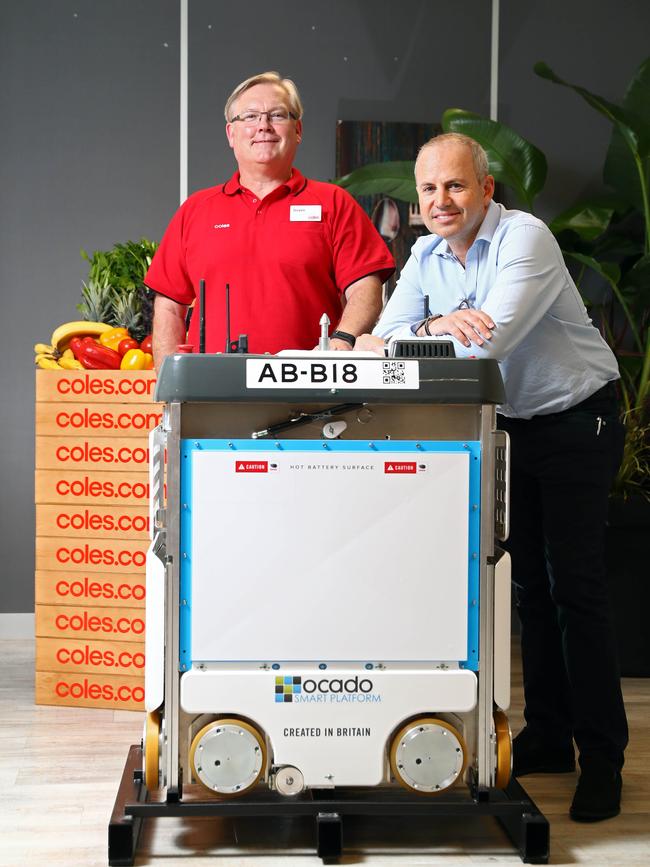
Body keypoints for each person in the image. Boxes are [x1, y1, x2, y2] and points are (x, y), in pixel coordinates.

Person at [357, 132, 628, 822]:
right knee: (530, 587)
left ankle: (603, 757)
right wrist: (438, 322)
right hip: (510, 425)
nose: (440, 201)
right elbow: (379, 343)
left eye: (454, 186)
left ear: (486, 190)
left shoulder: (525, 239)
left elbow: (489, 341)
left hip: (575, 418)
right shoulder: (423, 254)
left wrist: (428, 331)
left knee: (578, 587)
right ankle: (549, 736)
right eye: (427, 190)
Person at [146, 71, 394, 367]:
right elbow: (169, 308)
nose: (263, 126)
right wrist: (169, 386)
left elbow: (365, 286)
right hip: (215, 392)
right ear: (231, 134)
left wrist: (342, 340)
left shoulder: (334, 203)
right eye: (249, 116)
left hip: (311, 390)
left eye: (277, 115)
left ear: (298, 129)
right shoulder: (196, 210)